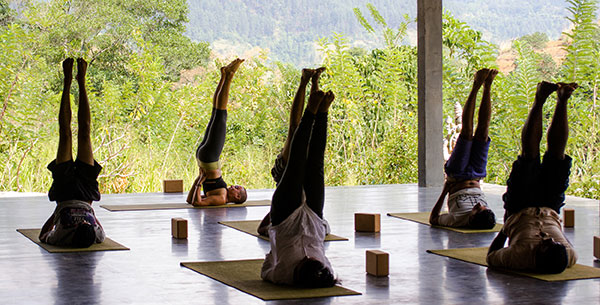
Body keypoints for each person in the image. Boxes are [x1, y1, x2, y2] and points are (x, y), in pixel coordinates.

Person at [487, 81, 579, 274]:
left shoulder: (520, 257)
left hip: (519, 207)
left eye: (547, 244)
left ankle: (540, 98)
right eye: (555, 242)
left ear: (538, 254)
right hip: (551, 206)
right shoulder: (569, 255)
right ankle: (562, 100)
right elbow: (564, 240)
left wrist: (505, 229)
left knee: (529, 156)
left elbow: (491, 256)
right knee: (557, 157)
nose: (550, 239)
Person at [261, 89, 337, 288]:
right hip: (313, 217)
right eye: (313, 259)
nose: (308, 257)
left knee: (296, 162)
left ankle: (311, 112)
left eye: (305, 261)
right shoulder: (324, 270)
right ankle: (322, 113)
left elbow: (266, 269)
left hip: (284, 220)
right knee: (315, 163)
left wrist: (274, 248)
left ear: (299, 269)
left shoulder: (282, 274)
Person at [39, 58, 105, 248]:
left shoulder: (60, 237)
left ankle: (67, 82)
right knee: (85, 132)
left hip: (64, 191)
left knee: (65, 134)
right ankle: (81, 82)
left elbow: (43, 235)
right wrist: (90, 214)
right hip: (86, 192)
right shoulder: (97, 236)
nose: (84, 222)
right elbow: (95, 219)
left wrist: (58, 212)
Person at [258, 67, 325, 236]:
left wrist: (269, 225)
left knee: (297, 130)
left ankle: (307, 81)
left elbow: (263, 226)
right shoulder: (310, 214)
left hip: (286, 174)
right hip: (297, 176)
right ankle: (310, 81)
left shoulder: (286, 209)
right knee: (300, 130)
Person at [429, 68, 498, 229]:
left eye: (477, 209)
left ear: (471, 218)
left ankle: (476, 85)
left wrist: (445, 189)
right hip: (477, 175)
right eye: (483, 206)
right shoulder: (487, 217)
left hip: (457, 175)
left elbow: (433, 219)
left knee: (466, 132)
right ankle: (487, 86)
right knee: (482, 133)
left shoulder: (459, 220)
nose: (479, 205)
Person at [186, 58, 248, 206]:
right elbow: (190, 199)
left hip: (210, 158)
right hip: (205, 157)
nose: (233, 186)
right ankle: (224, 76)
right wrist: (198, 181)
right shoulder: (221, 193)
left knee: (221, 114)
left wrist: (199, 181)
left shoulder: (221, 198)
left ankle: (230, 76)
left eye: (237, 188)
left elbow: (196, 203)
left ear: (237, 197)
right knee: (216, 112)